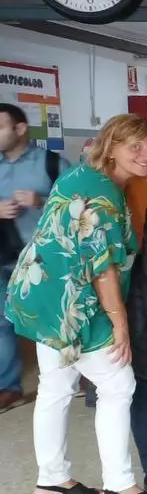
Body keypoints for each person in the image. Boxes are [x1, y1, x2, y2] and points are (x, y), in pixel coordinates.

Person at [7, 114, 147, 494]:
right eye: (135, 146)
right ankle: (119, 490)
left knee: (56, 387)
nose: (146, 156)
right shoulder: (102, 193)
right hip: (71, 303)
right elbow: (102, 268)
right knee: (118, 383)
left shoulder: (84, 175)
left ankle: (52, 483)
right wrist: (119, 322)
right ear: (111, 146)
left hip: (42, 294)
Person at [0, 103, 69, 411]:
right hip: (3, 253)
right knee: (1, 322)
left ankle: (73, 374)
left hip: (42, 256)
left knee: (55, 316)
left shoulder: (52, 163)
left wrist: (41, 201)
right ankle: (8, 387)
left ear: (20, 129)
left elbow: (79, 206)